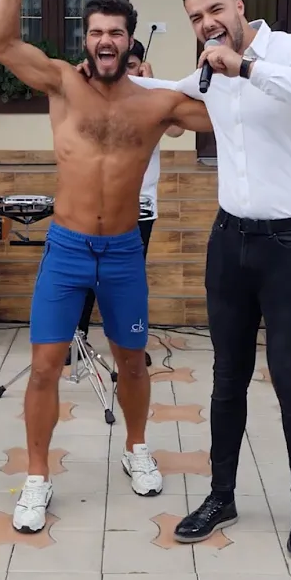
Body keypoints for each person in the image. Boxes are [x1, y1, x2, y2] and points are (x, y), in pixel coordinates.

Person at [0, 0, 212, 533]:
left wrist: (262, 55)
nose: (105, 40)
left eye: (115, 32)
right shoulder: (62, 83)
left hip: (123, 252)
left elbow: (233, 117)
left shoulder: (158, 103)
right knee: (44, 367)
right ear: (85, 40)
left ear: (130, 42)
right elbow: (0, 44)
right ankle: (37, 477)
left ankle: (136, 447)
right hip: (67, 249)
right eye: (95, 32)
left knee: (132, 362)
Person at [155, 0, 291, 560]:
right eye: (195, 17)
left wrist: (246, 68)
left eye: (215, 9)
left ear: (240, 7)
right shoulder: (207, 73)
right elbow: (160, 94)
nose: (207, 23)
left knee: (289, 377)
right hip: (229, 241)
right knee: (226, 376)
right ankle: (222, 496)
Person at [74, 40, 184, 366]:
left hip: (141, 204)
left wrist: (153, 87)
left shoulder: (153, 100)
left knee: (130, 279)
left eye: (133, 66)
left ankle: (131, 344)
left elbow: (176, 131)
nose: (128, 73)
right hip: (98, 201)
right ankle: (76, 339)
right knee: (88, 273)